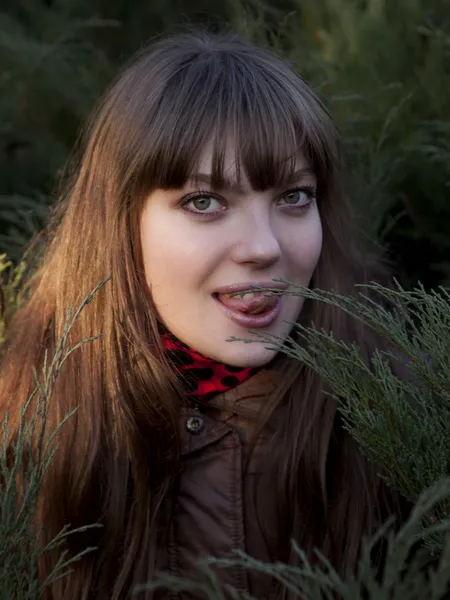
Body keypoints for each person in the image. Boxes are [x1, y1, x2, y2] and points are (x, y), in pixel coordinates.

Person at [0, 30, 413, 599]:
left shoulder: (399, 428)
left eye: (294, 196)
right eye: (205, 202)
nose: (263, 246)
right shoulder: (23, 438)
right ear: (122, 224)